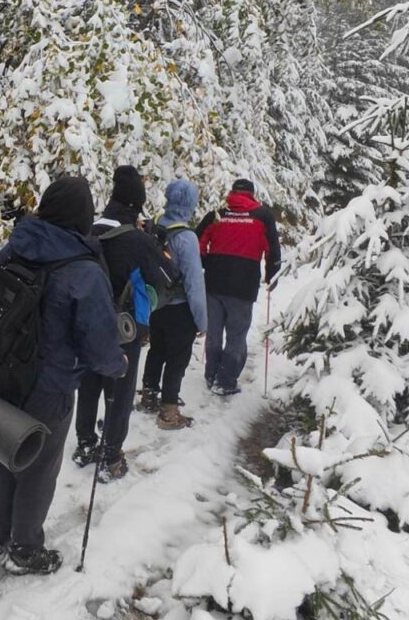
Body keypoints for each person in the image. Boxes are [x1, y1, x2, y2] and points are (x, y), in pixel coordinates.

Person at [0, 176, 126, 575]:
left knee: (7, 449)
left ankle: (0, 533)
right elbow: (100, 345)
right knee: (39, 464)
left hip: (3, 372)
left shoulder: (15, 245)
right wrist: (118, 366)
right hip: (50, 384)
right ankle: (25, 548)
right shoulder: (83, 270)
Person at [72, 166, 173, 482]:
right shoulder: (138, 240)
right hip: (123, 328)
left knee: (88, 385)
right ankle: (110, 456)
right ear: (137, 203)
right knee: (119, 391)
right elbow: (167, 281)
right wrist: (157, 244)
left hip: (85, 324)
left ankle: (85, 444)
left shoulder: (87, 230)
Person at [198, 178, 281, 396]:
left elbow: (197, 241)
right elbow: (272, 248)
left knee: (214, 331)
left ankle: (211, 374)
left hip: (214, 282)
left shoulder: (218, 213)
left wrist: (207, 262)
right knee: (236, 334)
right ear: (252, 195)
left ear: (232, 193)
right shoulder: (262, 216)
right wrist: (272, 275)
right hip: (244, 284)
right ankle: (226, 381)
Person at [139, 179, 207, 428]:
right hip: (180, 308)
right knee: (177, 359)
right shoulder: (186, 237)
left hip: (156, 304)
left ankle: (148, 396)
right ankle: (169, 412)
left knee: (156, 350)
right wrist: (201, 320)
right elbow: (194, 284)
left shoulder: (155, 226)